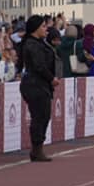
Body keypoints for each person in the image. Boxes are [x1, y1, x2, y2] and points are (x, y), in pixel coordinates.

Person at [20, 15, 59, 162]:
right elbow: (39, 65)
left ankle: (37, 148)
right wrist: (51, 78)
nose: (46, 29)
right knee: (39, 116)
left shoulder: (40, 43)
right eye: (43, 26)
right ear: (35, 29)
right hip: (34, 84)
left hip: (41, 84)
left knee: (44, 116)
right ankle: (36, 149)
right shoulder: (32, 44)